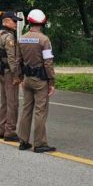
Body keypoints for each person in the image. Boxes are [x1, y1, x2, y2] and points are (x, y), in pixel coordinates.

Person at [16, 9, 56, 153]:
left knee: (26, 110)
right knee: (40, 111)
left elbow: (18, 60)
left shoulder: (21, 39)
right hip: (40, 81)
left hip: (27, 79)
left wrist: (19, 77)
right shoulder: (44, 40)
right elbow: (48, 62)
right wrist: (51, 82)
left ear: (29, 21)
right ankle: (39, 144)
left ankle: (23, 141)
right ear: (43, 22)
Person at [0, 11, 22, 142]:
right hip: (9, 73)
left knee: (4, 103)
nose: (16, 23)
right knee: (13, 103)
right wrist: (16, 75)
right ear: (6, 21)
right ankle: (10, 131)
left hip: (1, 71)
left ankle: (1, 129)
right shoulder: (9, 37)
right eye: (14, 21)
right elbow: (12, 58)